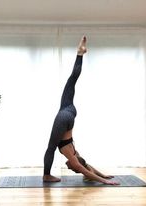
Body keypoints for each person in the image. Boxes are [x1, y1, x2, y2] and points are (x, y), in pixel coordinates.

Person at [43, 36, 119, 185]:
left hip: (69, 111)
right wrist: (104, 179)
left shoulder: (74, 153)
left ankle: (79, 54)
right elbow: (84, 167)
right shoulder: (72, 155)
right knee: (50, 148)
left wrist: (102, 175)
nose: (69, 167)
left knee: (72, 80)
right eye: (72, 168)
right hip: (65, 117)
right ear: (75, 162)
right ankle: (46, 175)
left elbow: (85, 166)